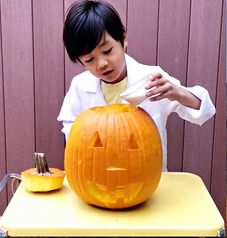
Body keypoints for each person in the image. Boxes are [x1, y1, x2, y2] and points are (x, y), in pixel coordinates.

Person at [57, 0, 216, 171]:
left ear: (123, 39)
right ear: (80, 62)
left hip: (147, 178)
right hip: (97, 177)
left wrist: (177, 92)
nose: (102, 63)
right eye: (89, 59)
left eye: (107, 51)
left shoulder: (152, 78)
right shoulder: (80, 86)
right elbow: (70, 126)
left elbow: (204, 111)